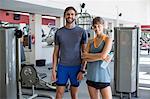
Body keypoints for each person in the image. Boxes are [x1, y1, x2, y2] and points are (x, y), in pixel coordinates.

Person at [51, 6, 88, 99]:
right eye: (68, 14)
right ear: (64, 16)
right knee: (59, 93)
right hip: (62, 67)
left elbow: (85, 53)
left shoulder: (82, 32)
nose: (70, 16)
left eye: (72, 14)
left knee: (74, 94)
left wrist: (82, 70)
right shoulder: (59, 32)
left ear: (75, 16)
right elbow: (55, 53)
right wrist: (53, 70)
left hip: (76, 67)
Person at [82, 17, 113, 99]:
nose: (97, 28)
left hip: (103, 77)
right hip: (91, 76)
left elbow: (102, 55)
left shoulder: (108, 39)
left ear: (103, 26)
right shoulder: (90, 41)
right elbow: (83, 57)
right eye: (95, 26)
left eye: (99, 26)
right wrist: (101, 57)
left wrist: (89, 55)